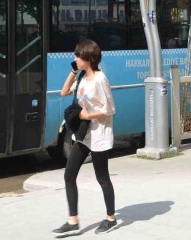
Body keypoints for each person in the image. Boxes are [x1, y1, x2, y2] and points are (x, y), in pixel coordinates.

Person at [53, 40, 117, 237]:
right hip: (83, 135)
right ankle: (73, 221)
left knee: (102, 178)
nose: (75, 59)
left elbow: (109, 109)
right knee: (69, 175)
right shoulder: (81, 77)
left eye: (78, 56)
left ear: (89, 59)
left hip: (98, 135)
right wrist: (73, 71)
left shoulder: (100, 79)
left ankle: (111, 219)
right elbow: (63, 92)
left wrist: (85, 116)